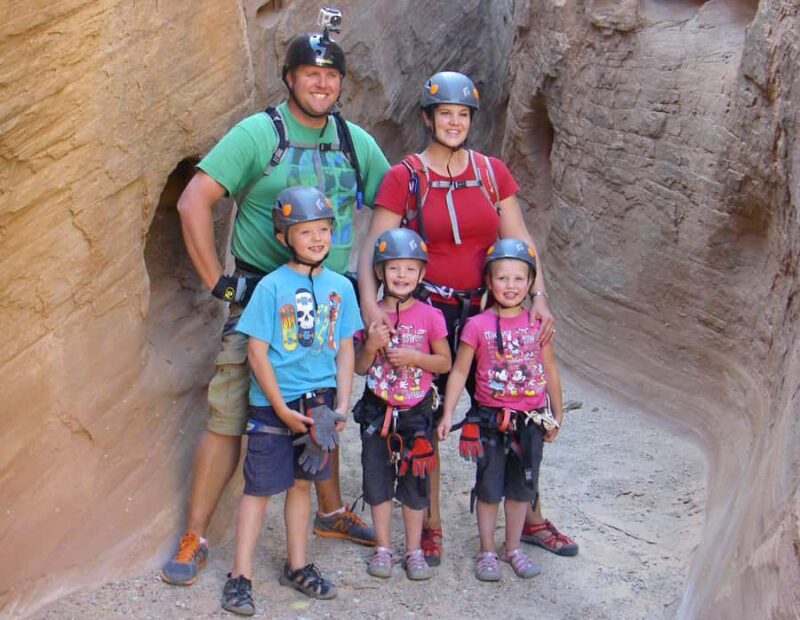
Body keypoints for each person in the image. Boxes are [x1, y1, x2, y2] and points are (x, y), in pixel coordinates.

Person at [162, 29, 390, 586]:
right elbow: (195, 200)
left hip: (329, 294)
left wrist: (374, 289)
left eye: (331, 74)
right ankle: (195, 534)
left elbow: (392, 203)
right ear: (289, 78)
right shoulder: (259, 134)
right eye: (310, 72)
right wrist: (220, 285)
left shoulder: (354, 141)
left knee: (324, 406)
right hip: (264, 294)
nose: (321, 82)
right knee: (230, 410)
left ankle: (331, 513)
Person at [358, 70, 577, 566]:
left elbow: (519, 241)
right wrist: (374, 309)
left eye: (462, 114)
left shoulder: (490, 172)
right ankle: (430, 521)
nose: (454, 122)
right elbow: (373, 248)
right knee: (430, 413)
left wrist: (537, 295)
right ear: (427, 117)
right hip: (430, 310)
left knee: (519, 404)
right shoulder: (405, 176)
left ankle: (532, 517)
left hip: (490, 309)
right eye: (445, 113)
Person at [220, 186, 360, 615]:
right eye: (305, 231)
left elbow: (346, 348)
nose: (317, 238)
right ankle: (239, 575)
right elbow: (256, 351)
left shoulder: (341, 286)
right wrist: (279, 407)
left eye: (323, 229)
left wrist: (341, 405)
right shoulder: (270, 287)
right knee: (260, 487)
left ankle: (297, 565)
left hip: (319, 404)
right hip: (274, 403)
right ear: (284, 237)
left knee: (303, 483)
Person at [438, 238, 564, 581]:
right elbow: (460, 370)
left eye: (519, 279)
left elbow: (549, 369)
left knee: (522, 487)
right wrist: (449, 413)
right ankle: (487, 550)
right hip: (491, 420)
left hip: (529, 421)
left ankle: (513, 548)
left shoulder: (537, 324)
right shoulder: (476, 325)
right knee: (489, 486)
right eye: (502, 278)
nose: (510, 286)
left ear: (530, 282)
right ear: (489, 282)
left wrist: (557, 411)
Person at [352, 228, 451, 581]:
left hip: (415, 414)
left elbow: (445, 362)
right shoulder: (371, 314)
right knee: (377, 480)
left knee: (414, 483)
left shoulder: (430, 316)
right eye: (394, 268)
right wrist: (370, 344)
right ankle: (382, 547)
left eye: (410, 269)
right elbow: (360, 368)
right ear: (380, 272)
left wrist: (414, 357)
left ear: (422, 274)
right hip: (377, 410)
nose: (402, 276)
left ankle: (413, 550)